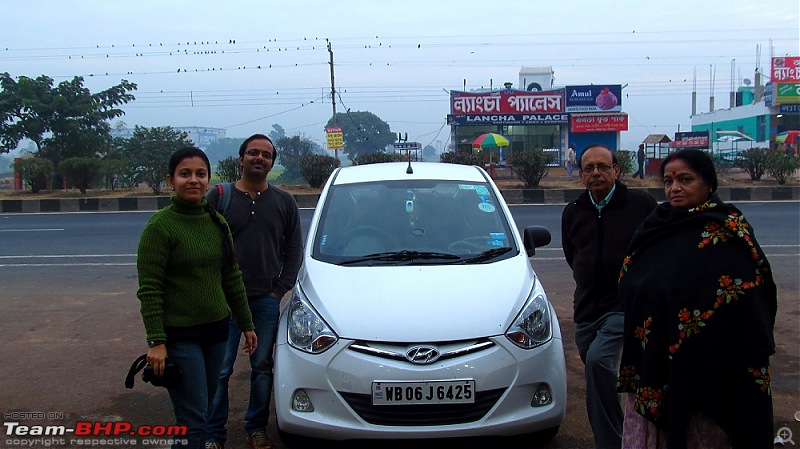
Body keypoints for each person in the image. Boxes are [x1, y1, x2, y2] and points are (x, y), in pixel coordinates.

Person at [617, 149, 777, 449]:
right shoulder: (657, 224)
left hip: (713, 365)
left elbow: (749, 299)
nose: (674, 188)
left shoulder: (727, 230)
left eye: (685, 179)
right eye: (668, 180)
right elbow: (632, 276)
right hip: (655, 356)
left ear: (708, 184)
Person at [137, 147, 258, 449]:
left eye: (200, 174)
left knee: (200, 413)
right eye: (185, 174)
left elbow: (231, 277)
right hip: (180, 338)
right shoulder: (160, 227)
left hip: (216, 332)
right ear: (170, 180)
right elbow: (150, 289)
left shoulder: (216, 222)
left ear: (208, 179)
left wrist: (246, 323)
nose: (193, 180)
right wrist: (156, 341)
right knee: (193, 418)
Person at [205, 134, 304, 449]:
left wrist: (278, 291)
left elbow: (294, 252)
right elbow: (204, 247)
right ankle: (213, 435)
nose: (259, 158)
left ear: (272, 163)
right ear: (240, 159)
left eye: (266, 155)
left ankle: (256, 427)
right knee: (220, 370)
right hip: (223, 303)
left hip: (264, 301)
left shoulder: (284, 202)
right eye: (253, 153)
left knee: (262, 366)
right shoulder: (218, 197)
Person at [561, 144, 657, 449]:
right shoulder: (574, 212)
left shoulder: (640, 204)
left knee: (599, 364)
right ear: (580, 176)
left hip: (623, 307)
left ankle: (611, 443)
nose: (596, 173)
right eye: (589, 169)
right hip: (586, 310)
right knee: (598, 378)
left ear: (616, 170)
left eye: (603, 167)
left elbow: (657, 248)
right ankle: (624, 436)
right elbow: (572, 255)